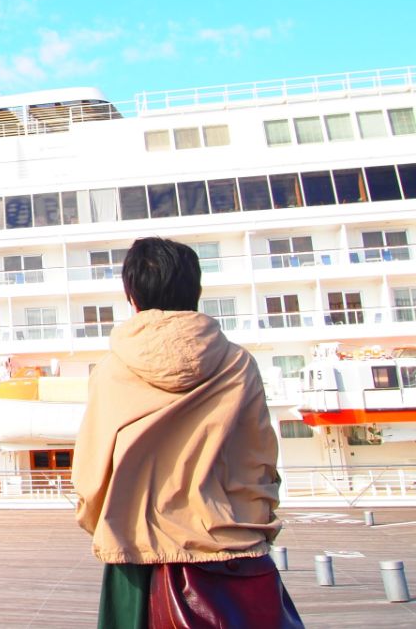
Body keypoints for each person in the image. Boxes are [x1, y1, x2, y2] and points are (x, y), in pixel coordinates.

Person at [72, 237, 302, 628]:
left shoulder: (111, 370)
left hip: (137, 554)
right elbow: (260, 458)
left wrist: (114, 524)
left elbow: (91, 475)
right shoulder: (238, 363)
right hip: (231, 547)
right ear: (196, 291)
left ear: (131, 295)